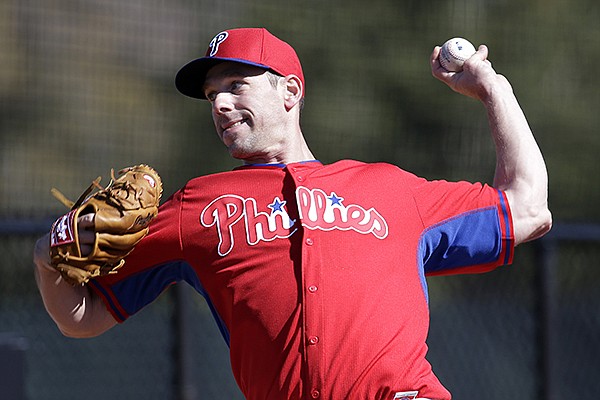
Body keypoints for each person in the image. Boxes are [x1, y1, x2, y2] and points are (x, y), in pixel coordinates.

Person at [34, 27, 552, 400]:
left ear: (290, 91)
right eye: (212, 94)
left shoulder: (391, 188)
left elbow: (528, 208)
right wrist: (43, 258)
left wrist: (492, 89)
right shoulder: (199, 206)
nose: (218, 103)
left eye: (237, 84)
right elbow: (84, 317)